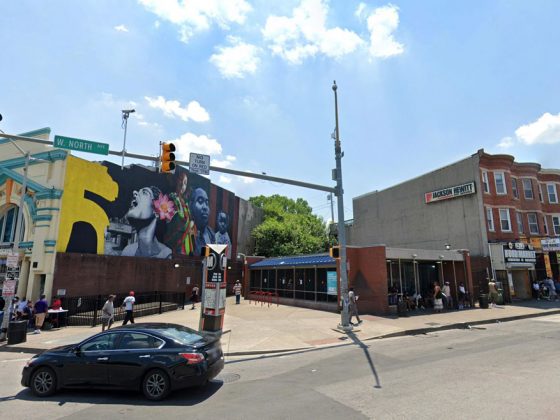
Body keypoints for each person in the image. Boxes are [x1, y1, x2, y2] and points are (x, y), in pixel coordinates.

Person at [121, 186, 173, 259]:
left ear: (157, 212)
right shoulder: (127, 251)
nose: (134, 193)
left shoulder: (166, 255)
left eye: (145, 192)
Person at [190, 187, 215, 256]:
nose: (205, 207)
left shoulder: (211, 233)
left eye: (207, 203)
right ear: (191, 205)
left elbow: (209, 256)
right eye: (200, 201)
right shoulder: (187, 233)